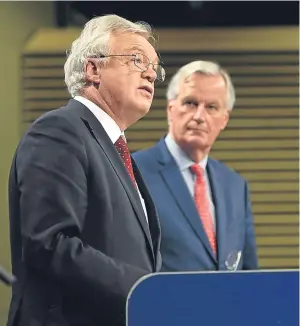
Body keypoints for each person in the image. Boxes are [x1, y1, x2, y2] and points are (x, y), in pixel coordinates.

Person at [7, 14, 165, 326]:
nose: (150, 74)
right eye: (136, 59)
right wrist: (144, 290)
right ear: (93, 69)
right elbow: (51, 243)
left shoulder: (118, 151)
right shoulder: (59, 130)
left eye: (154, 67)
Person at [133, 60, 258, 272]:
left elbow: (249, 272)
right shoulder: (134, 171)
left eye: (211, 107)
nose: (199, 116)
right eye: (190, 103)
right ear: (170, 109)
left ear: (224, 119)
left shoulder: (235, 185)